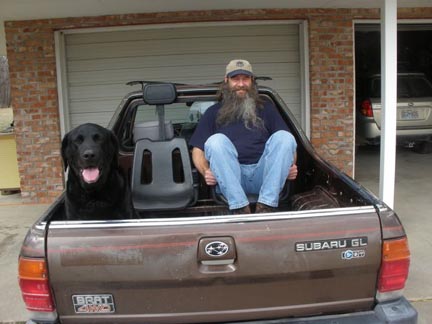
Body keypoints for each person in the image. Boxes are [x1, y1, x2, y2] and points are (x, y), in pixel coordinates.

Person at [189, 59, 298, 214]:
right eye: (235, 79)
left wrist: (289, 166)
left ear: (251, 81)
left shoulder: (267, 108)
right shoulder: (212, 113)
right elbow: (198, 151)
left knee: (284, 137)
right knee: (215, 141)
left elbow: (288, 146)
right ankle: (240, 207)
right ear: (226, 81)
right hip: (230, 177)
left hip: (265, 176)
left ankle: (266, 206)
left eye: (245, 79)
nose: (241, 84)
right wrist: (206, 171)